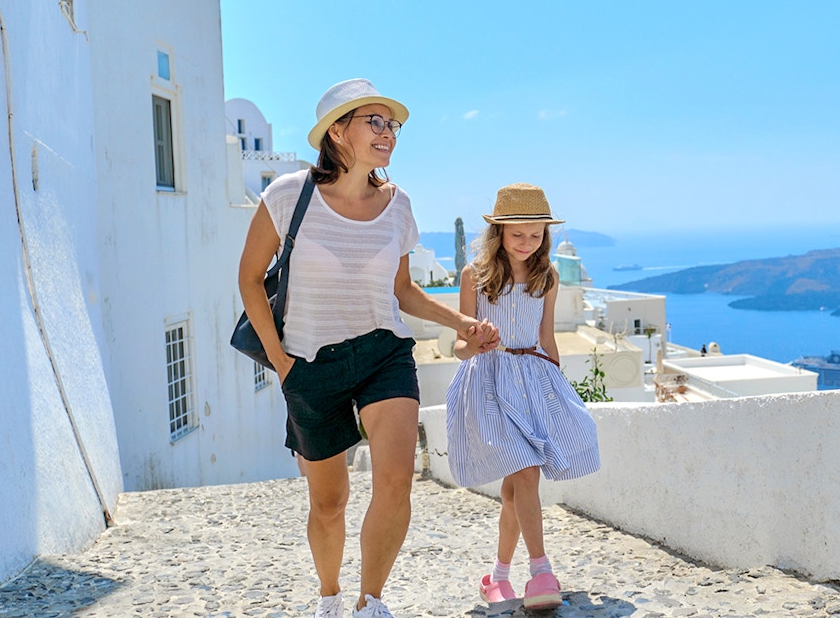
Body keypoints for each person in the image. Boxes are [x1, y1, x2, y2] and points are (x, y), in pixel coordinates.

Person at [238, 79, 499, 618]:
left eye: (392, 124)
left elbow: (402, 291)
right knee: (329, 503)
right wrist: (283, 364)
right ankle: (330, 596)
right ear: (338, 131)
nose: (387, 133)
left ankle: (370, 601)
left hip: (384, 352)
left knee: (397, 479)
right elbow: (248, 280)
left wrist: (463, 321)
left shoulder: (398, 205)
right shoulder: (288, 196)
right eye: (373, 122)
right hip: (310, 365)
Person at [445, 183, 601, 610]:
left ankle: (496, 577)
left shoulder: (546, 277)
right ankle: (541, 572)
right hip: (488, 383)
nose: (526, 243)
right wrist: (477, 341)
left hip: (533, 381)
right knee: (526, 470)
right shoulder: (473, 276)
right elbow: (457, 347)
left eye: (535, 235)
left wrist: (560, 393)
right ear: (499, 232)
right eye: (518, 234)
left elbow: (546, 338)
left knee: (516, 489)